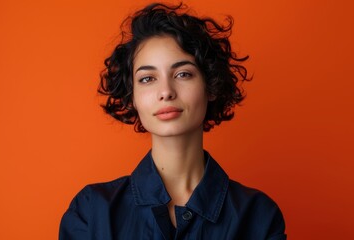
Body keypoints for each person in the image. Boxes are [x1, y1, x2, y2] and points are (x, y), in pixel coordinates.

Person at [59, 2, 286, 239]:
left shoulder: (258, 216)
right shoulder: (92, 212)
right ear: (132, 96)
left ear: (211, 86)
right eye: (147, 79)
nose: (165, 91)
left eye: (183, 74)